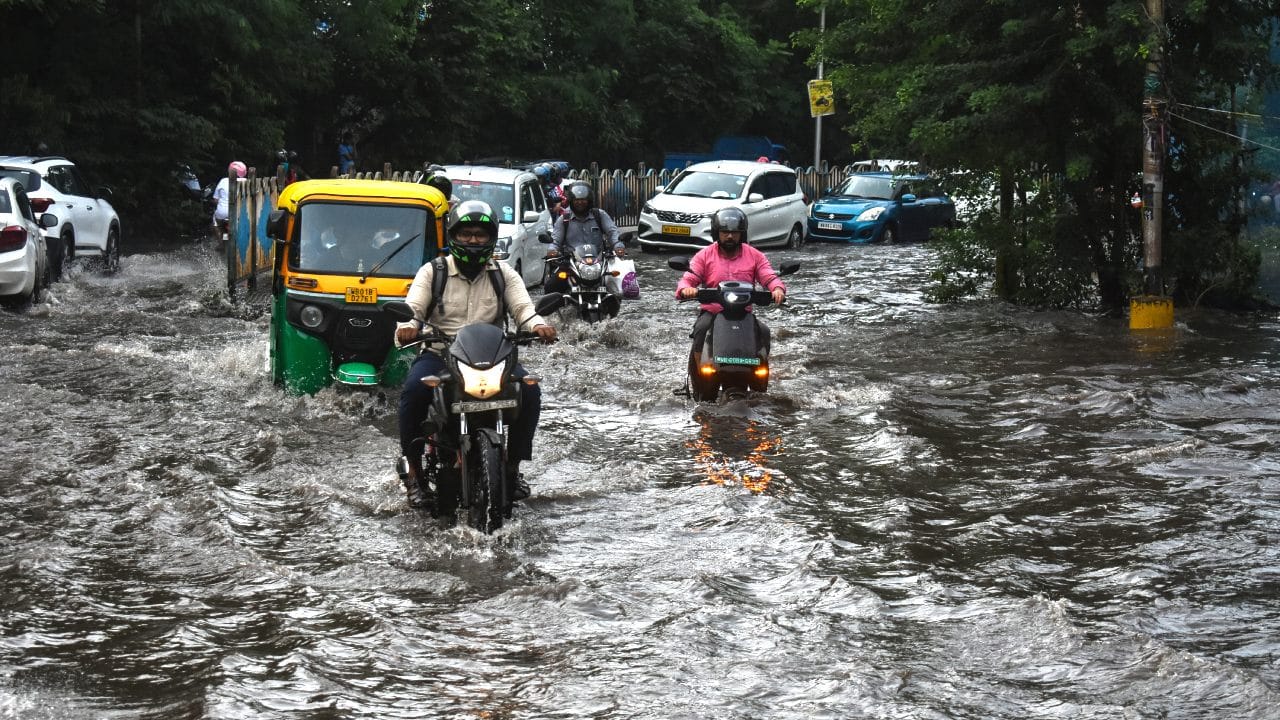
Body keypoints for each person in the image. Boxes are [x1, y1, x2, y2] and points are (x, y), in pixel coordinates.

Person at [394, 200, 557, 509]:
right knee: (413, 392)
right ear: (454, 236)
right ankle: (413, 474)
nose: (472, 240)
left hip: (493, 357)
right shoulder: (433, 272)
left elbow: (524, 309)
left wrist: (538, 326)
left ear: (491, 238)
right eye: (466, 233)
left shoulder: (503, 274)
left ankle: (513, 467)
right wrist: (408, 327)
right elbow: (413, 308)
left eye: (480, 235)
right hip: (440, 354)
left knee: (531, 391)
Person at [674, 207, 786, 373]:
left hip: (744, 312)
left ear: (742, 234)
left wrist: (777, 289)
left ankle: (760, 374)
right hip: (712, 312)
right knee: (700, 329)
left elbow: (768, 276)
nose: (730, 236)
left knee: (764, 331)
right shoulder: (704, 255)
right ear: (716, 233)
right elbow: (689, 278)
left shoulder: (755, 255)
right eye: (725, 232)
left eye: (735, 232)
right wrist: (686, 289)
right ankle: (697, 373)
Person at [545, 182, 625, 295]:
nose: (580, 203)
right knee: (550, 287)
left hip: (599, 263)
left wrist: (618, 245)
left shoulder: (600, 215)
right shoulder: (564, 219)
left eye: (583, 199)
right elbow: (556, 240)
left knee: (619, 284)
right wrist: (552, 250)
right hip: (572, 264)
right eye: (576, 200)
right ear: (571, 201)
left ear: (589, 201)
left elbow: (612, 232)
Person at [211, 160, 247, 242]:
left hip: (222, 213)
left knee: (215, 223)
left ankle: (221, 241)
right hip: (238, 213)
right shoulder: (246, 182)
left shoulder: (223, 181)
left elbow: (215, 199)